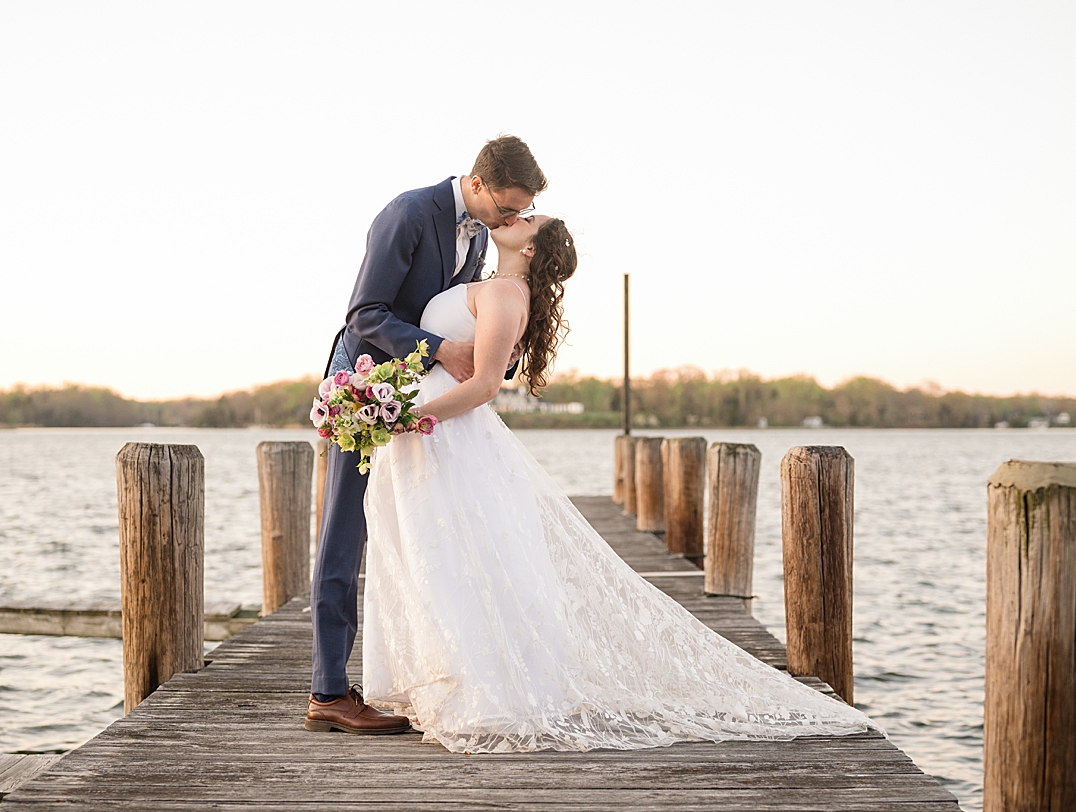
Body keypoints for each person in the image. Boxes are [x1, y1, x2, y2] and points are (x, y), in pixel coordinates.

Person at [357, 214, 878, 752]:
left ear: (532, 249)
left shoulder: (505, 294)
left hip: (446, 434)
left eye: (530, 219)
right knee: (440, 559)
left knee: (456, 560)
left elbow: (487, 385)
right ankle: (448, 678)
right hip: (437, 436)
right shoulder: (492, 283)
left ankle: (483, 691)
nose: (520, 215)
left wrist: (411, 419)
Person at [305, 135, 547, 734]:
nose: (513, 219)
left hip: (419, 399)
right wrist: (441, 348)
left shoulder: (479, 241)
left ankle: (430, 671)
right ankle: (328, 691)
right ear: (479, 183)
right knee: (345, 531)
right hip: (366, 387)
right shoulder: (410, 213)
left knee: (423, 529)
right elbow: (363, 311)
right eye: (508, 208)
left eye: (522, 212)